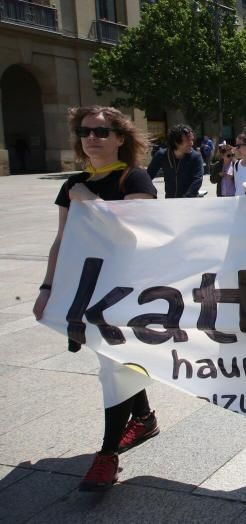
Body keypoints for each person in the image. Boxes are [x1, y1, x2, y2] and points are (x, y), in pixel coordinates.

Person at [34, 105, 159, 492]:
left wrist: (89, 199)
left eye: (102, 132)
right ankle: (143, 418)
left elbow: (138, 232)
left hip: (126, 289)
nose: (92, 138)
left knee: (114, 365)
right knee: (116, 362)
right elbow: (63, 240)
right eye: (86, 131)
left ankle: (107, 455)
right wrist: (47, 288)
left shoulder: (133, 178)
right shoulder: (72, 184)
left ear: (121, 138)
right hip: (86, 286)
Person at [147, 124, 205, 198]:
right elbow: (148, 176)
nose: (191, 143)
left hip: (190, 202)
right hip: (170, 202)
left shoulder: (196, 157)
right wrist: (151, 192)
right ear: (176, 142)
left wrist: (186, 199)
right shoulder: (162, 155)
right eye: (187, 140)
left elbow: (197, 180)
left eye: (192, 140)